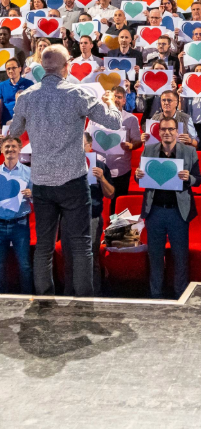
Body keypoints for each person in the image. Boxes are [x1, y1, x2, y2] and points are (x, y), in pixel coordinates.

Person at [9, 44, 122, 296]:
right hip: (73, 181)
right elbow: (114, 121)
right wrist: (111, 101)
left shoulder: (27, 97)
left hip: (42, 182)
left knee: (44, 247)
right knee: (81, 245)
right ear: (66, 67)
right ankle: (83, 302)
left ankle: (44, 301)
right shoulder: (78, 94)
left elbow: (14, 133)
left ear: (43, 66)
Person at [135, 116, 201, 299]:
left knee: (180, 256)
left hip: (178, 212)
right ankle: (155, 293)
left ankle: (181, 293)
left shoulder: (189, 152)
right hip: (154, 211)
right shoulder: (148, 151)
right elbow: (139, 179)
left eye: (171, 129)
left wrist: (189, 177)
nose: (167, 133)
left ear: (177, 131)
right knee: (155, 256)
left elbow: (198, 179)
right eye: (163, 129)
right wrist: (137, 175)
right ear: (159, 132)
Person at [87, 85, 142, 213]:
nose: (116, 99)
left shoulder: (131, 119)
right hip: (98, 168)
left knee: (117, 207)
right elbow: (87, 137)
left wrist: (131, 146)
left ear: (124, 100)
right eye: (113, 96)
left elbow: (138, 141)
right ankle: (98, 226)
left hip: (120, 170)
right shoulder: (95, 118)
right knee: (96, 202)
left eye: (119, 97)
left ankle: (115, 230)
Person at [77, 131, 115, 296]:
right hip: (71, 217)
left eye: (82, 145)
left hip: (92, 217)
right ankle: (72, 292)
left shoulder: (99, 165)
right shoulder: (66, 165)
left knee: (91, 256)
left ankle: (94, 293)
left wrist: (102, 179)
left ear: (90, 146)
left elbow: (111, 194)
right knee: (71, 257)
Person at [0, 136, 33, 294]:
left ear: (20, 150)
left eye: (13, 146)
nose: (10, 150)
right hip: (0, 224)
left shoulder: (29, 172)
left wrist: (31, 194)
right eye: (6, 147)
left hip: (20, 224)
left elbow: (39, 197)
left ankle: (28, 299)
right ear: (1, 150)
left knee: (24, 265)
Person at [0, 58, 34, 125]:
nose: (11, 71)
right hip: (6, 125)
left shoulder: (29, 84)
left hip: (24, 124)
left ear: (20, 69)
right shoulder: (2, 86)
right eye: (8, 69)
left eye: (13, 68)